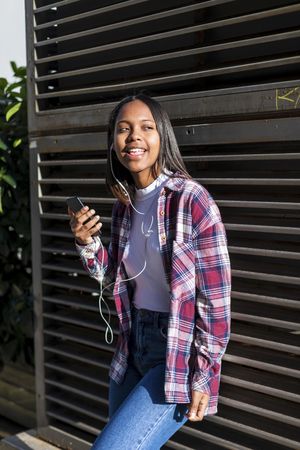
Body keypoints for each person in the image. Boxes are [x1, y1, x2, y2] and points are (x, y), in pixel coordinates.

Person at [68, 93, 231, 450]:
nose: (134, 137)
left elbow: (216, 301)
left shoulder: (191, 200)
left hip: (174, 353)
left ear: (163, 136)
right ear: (113, 144)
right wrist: (87, 244)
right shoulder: (123, 205)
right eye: (123, 129)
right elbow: (116, 280)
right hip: (132, 348)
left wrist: (205, 373)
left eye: (146, 127)